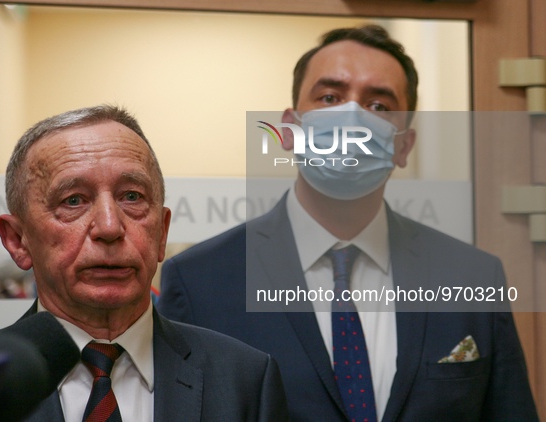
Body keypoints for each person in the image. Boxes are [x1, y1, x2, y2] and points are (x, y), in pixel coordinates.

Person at [158, 26, 539, 421]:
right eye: (329, 98)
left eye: (378, 105)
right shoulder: (199, 282)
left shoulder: (472, 276)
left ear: (403, 146)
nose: (350, 119)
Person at [0, 105, 289, 421]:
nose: (109, 227)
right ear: (17, 240)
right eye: (74, 201)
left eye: (132, 197)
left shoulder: (245, 380)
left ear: (162, 232)